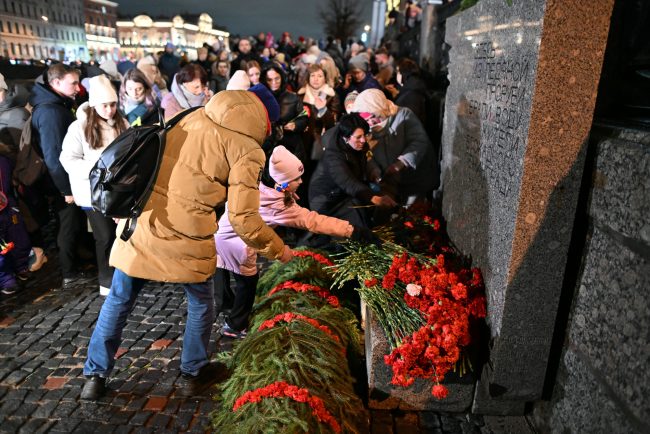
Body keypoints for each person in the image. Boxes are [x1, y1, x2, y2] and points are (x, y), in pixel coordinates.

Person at [80, 87, 293, 401]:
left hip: (144, 222)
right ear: (267, 121)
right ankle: (193, 370)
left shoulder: (194, 114)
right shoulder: (248, 148)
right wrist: (281, 251)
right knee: (200, 303)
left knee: (119, 300)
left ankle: (95, 375)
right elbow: (244, 218)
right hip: (189, 236)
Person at [214, 145, 371, 338]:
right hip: (236, 241)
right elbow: (312, 221)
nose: (301, 181)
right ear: (281, 182)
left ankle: (225, 306)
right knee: (247, 281)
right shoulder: (275, 205)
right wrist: (351, 230)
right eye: (295, 179)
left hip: (222, 232)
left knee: (224, 271)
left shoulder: (258, 183)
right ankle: (235, 325)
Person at [60, 75, 129, 297]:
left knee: (121, 233)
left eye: (113, 105)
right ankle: (107, 280)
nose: (109, 110)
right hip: (92, 193)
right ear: (94, 105)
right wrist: (96, 170)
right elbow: (68, 159)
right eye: (105, 105)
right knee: (105, 236)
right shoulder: (78, 127)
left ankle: (124, 272)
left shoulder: (121, 123)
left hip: (117, 190)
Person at [29, 63, 88, 287]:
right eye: (73, 83)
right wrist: (66, 189)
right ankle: (69, 271)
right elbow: (53, 156)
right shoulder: (51, 111)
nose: (78, 87)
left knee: (72, 222)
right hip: (61, 181)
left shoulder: (57, 104)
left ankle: (77, 262)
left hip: (66, 178)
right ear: (55, 83)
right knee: (67, 223)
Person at [309, 113, 396, 229]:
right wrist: (375, 198)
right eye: (358, 137)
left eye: (365, 135)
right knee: (357, 226)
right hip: (328, 201)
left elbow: (366, 161)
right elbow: (347, 182)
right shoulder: (333, 155)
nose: (364, 140)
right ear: (346, 138)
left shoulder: (358, 145)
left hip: (347, 194)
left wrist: (374, 173)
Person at [352, 88, 435, 204]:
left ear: (380, 110)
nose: (370, 123)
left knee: (415, 212)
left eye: (372, 117)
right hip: (388, 181)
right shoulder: (365, 128)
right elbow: (367, 152)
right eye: (366, 119)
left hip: (414, 178)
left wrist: (401, 163)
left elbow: (419, 141)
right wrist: (373, 169)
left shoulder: (403, 115)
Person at [260, 64, 308, 163]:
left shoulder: (293, 97)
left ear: (282, 77)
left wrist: (295, 125)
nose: (274, 82)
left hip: (291, 147)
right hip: (269, 149)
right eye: (269, 79)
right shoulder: (260, 99)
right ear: (265, 80)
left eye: (277, 78)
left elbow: (303, 117)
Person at [297, 64, 340, 165]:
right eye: (313, 75)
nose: (316, 79)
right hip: (302, 141)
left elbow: (332, 124)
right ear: (308, 77)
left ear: (325, 78)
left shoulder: (331, 96)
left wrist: (323, 109)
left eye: (320, 76)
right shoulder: (300, 94)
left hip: (321, 141)